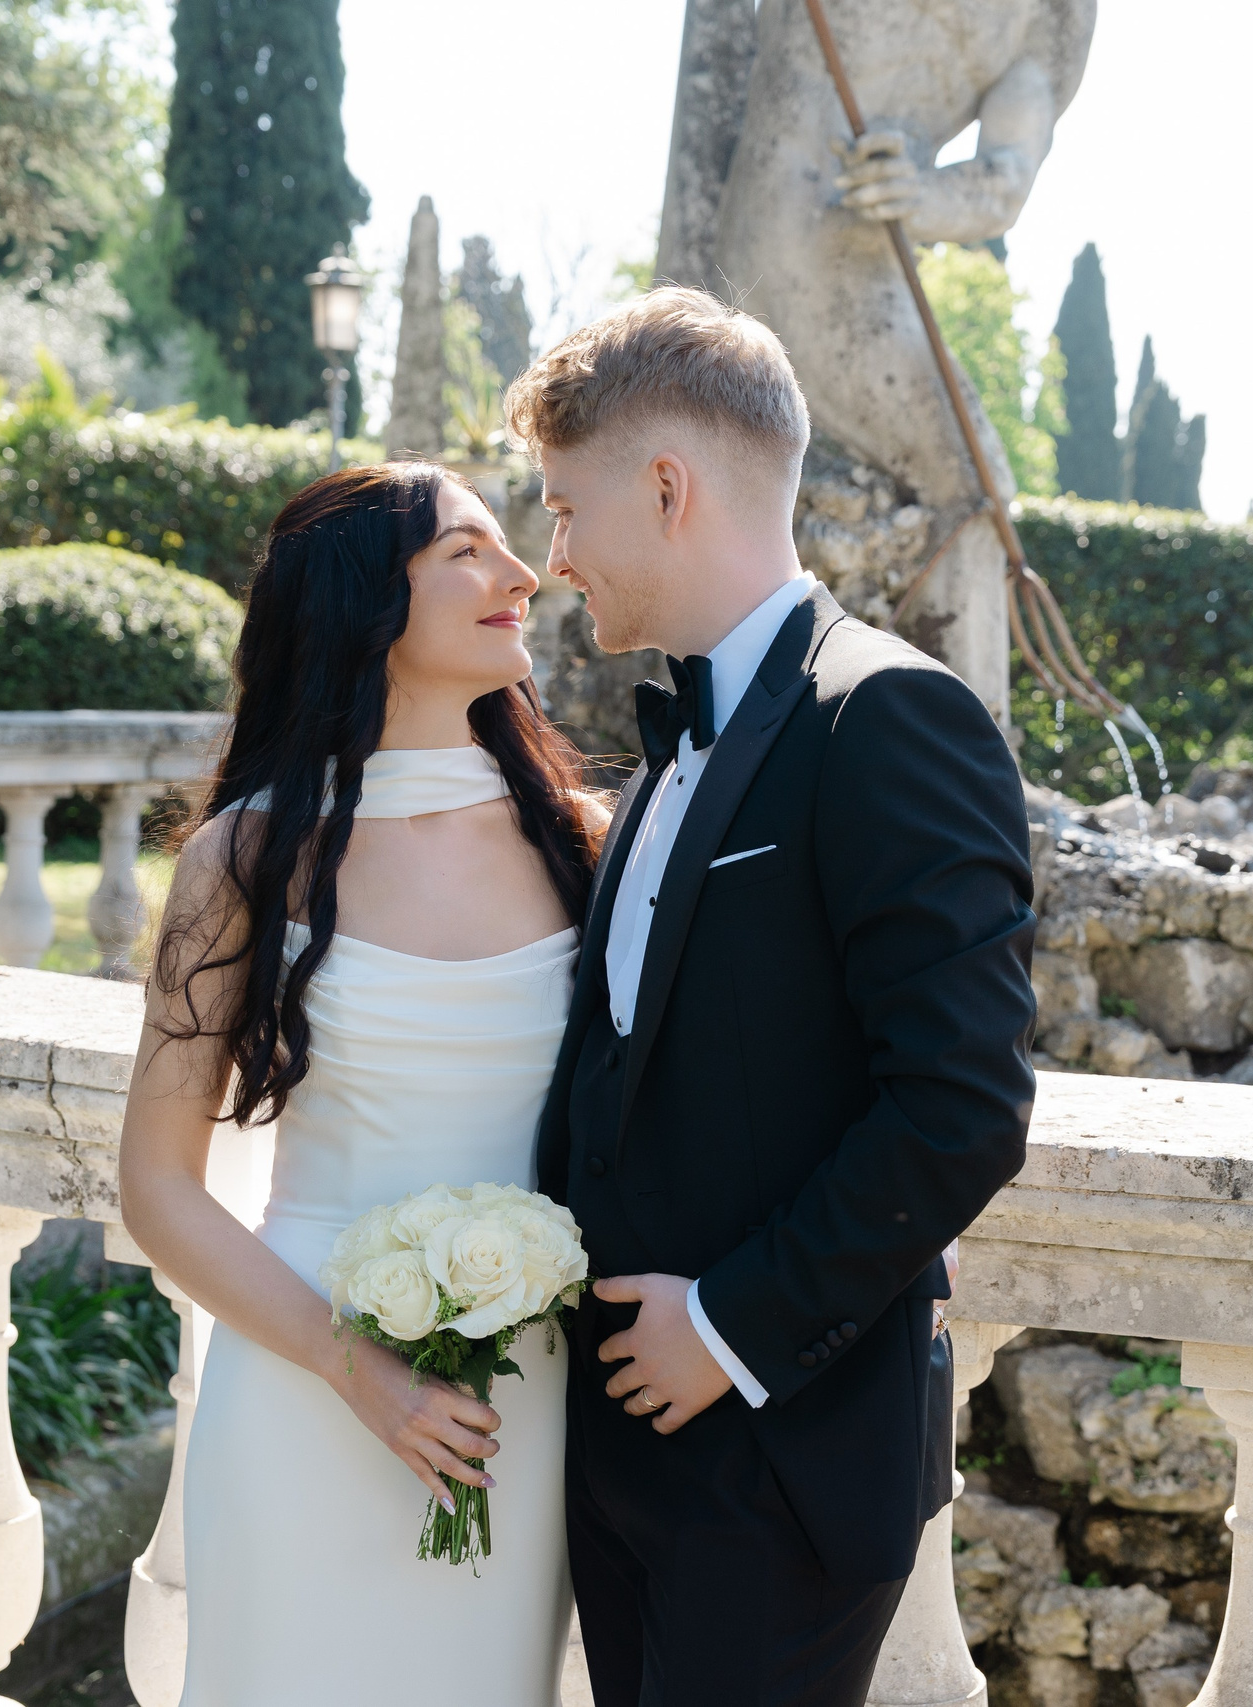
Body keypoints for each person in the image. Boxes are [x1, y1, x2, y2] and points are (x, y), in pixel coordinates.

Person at [514, 287, 1037, 1707]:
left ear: (668, 487)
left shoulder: (889, 716)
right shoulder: (674, 742)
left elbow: (962, 1105)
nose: (553, 557)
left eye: (568, 510)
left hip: (777, 1459)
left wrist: (732, 1326)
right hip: (622, 1450)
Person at [117, 463, 603, 1704]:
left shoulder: (586, 840)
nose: (522, 575)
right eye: (467, 552)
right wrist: (359, 1372)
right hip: (301, 1392)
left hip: (514, 1410)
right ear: (360, 606)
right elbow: (158, 1189)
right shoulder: (242, 859)